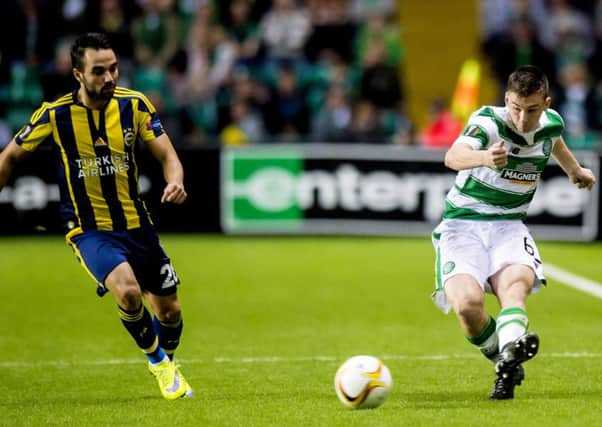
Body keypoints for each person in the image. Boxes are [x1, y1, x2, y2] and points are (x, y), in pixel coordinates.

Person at [0, 32, 192, 401]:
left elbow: (167, 156)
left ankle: (166, 359)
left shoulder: (134, 105)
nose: (109, 78)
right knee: (128, 291)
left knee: (169, 314)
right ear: (78, 74)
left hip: (138, 226)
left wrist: (177, 181)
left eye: (114, 68)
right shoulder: (54, 115)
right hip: (89, 230)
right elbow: (8, 156)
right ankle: (159, 364)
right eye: (99, 71)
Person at [431, 65, 596, 400]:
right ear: (507, 100)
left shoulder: (551, 123)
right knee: (467, 307)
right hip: (463, 225)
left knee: (514, 289)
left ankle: (507, 362)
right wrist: (483, 157)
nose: (523, 119)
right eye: (517, 109)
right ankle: (504, 359)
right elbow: (453, 156)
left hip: (509, 226)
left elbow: (555, 141)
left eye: (532, 110)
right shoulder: (488, 122)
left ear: (546, 104)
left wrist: (574, 170)